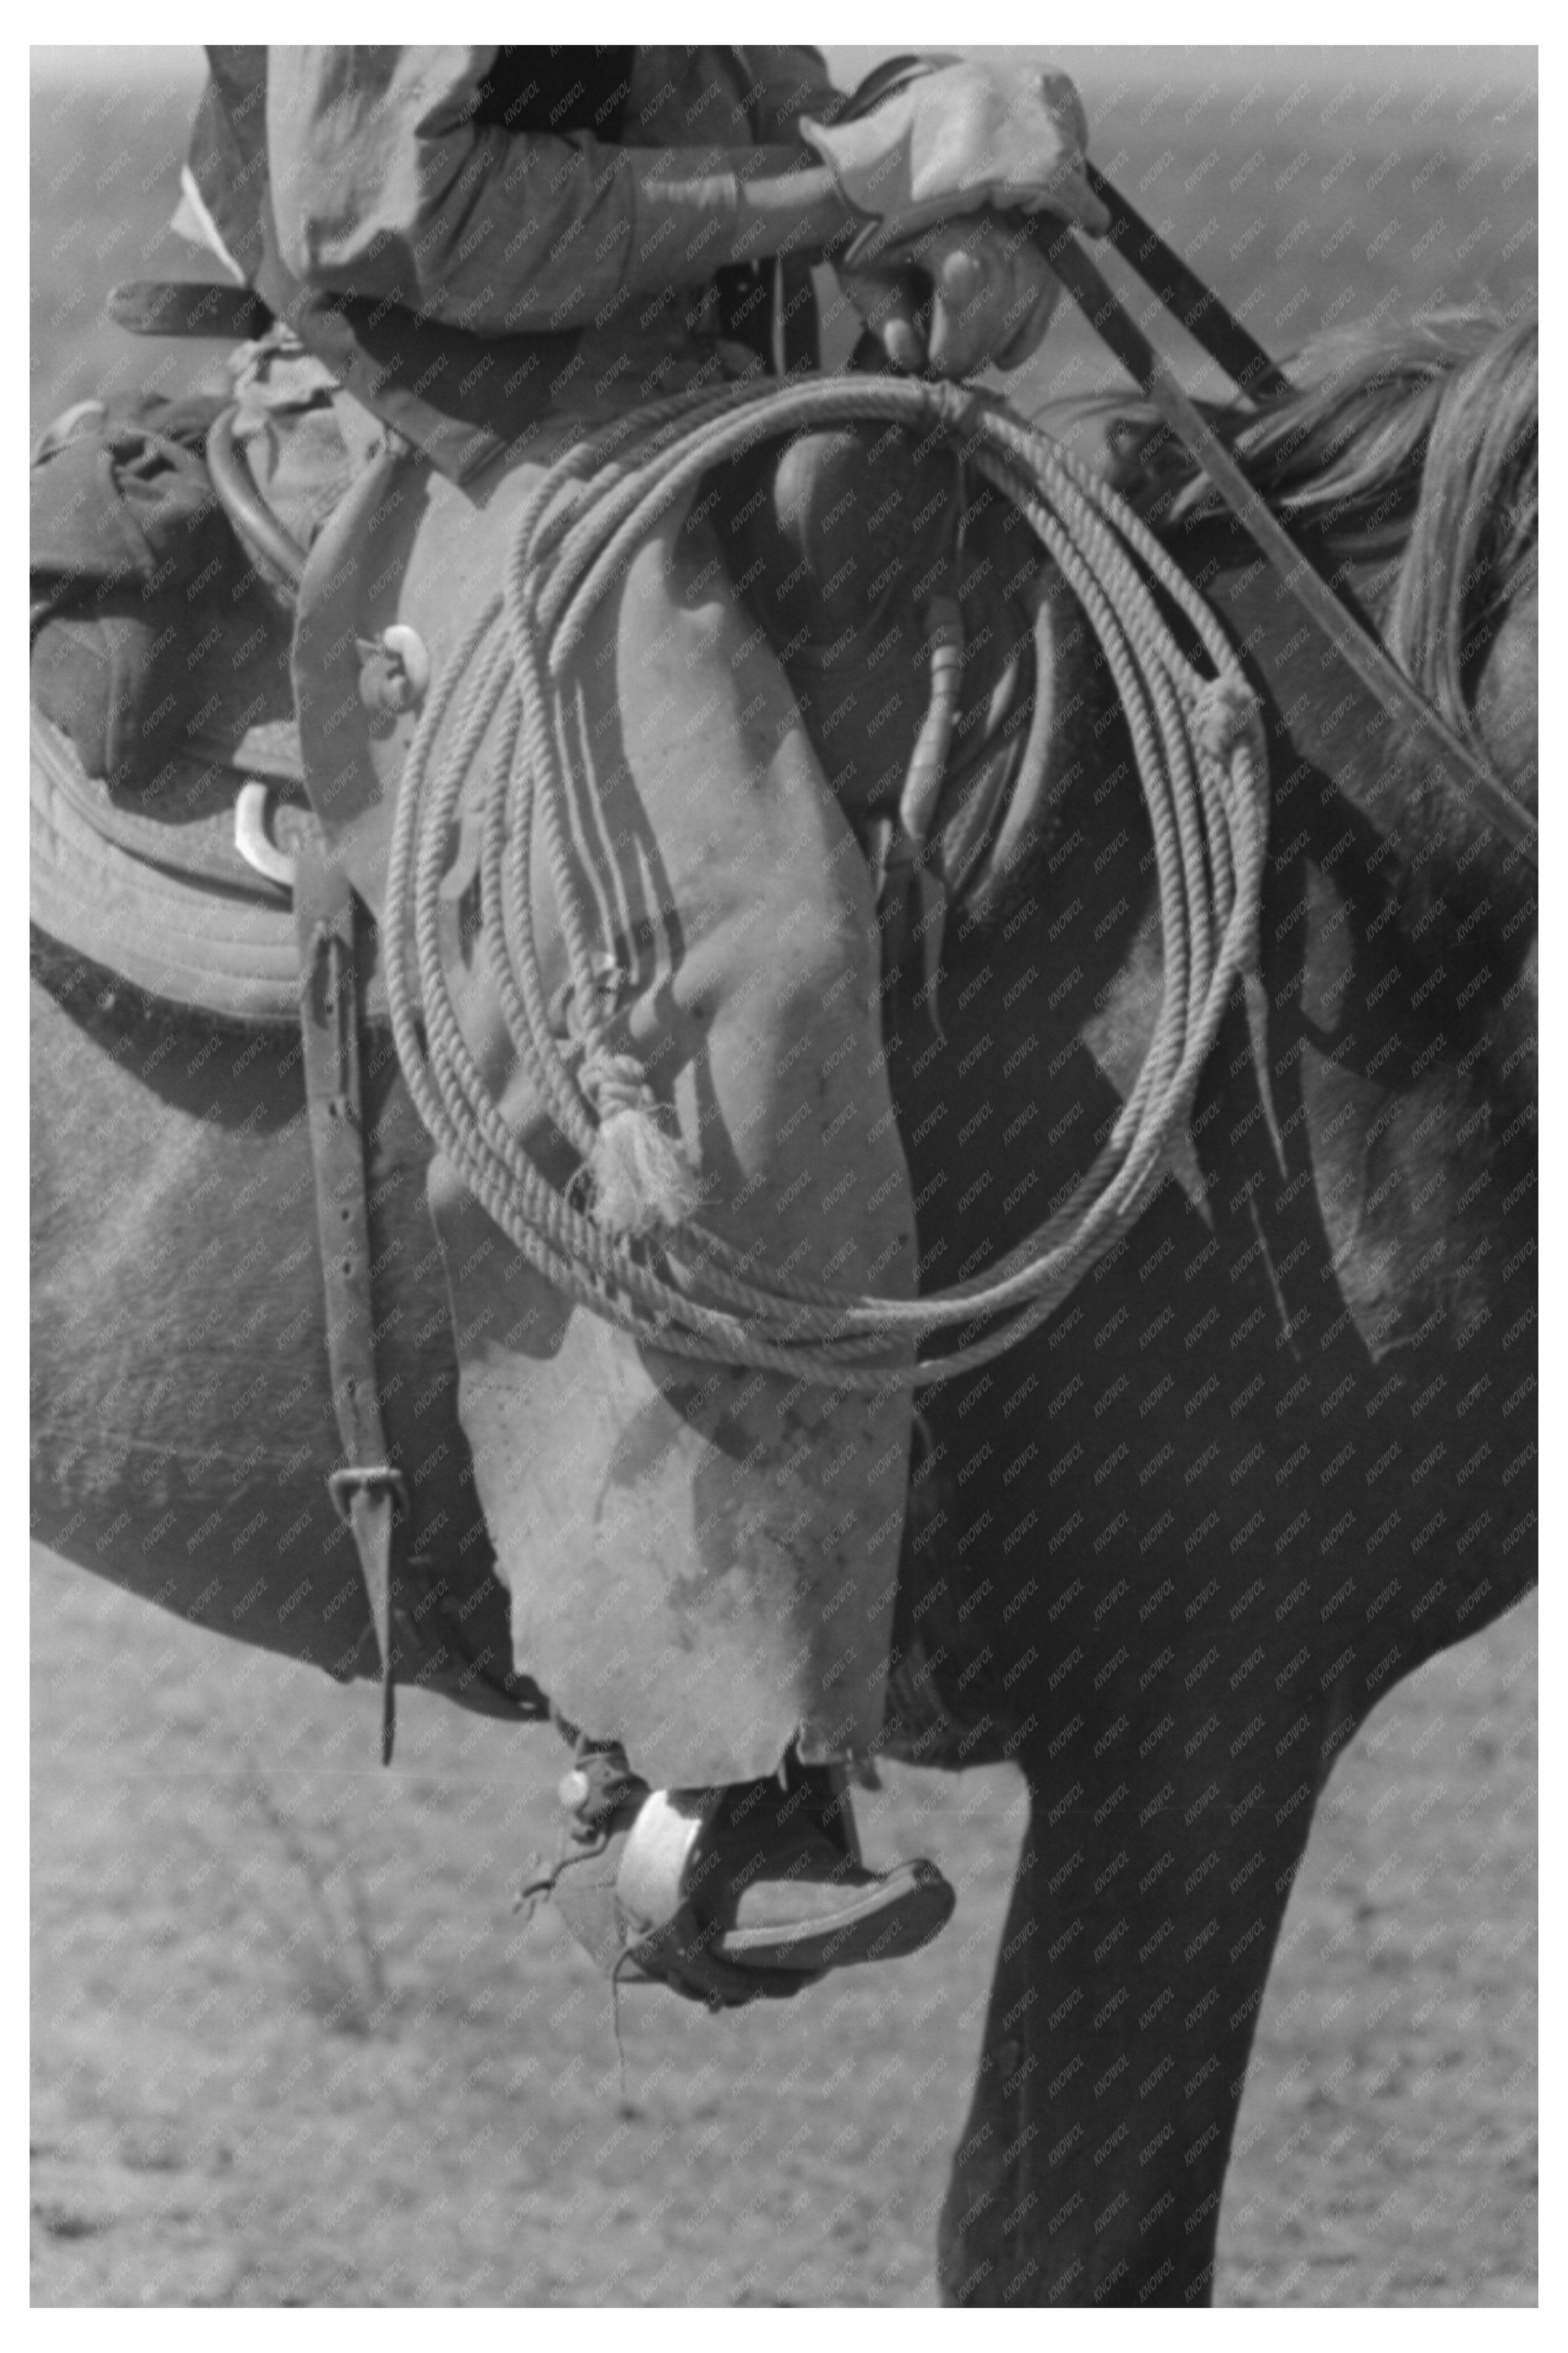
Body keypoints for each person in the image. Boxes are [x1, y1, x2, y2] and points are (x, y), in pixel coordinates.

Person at [176, 46, 1107, 2002]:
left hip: (679, 372)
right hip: (476, 415)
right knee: (740, 957)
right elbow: (394, 203)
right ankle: (703, 1764)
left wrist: (956, 165)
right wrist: (832, 190)